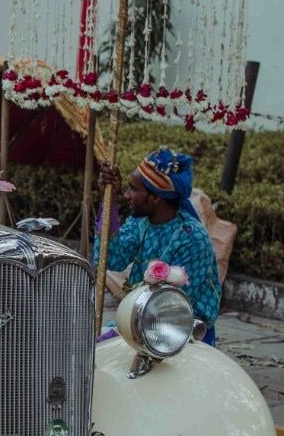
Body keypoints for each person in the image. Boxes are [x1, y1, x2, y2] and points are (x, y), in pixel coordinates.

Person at [95, 147, 222, 345]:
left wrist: (117, 336)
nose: (127, 194)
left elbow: (169, 309)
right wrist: (109, 199)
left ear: (155, 197)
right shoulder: (141, 222)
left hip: (180, 336)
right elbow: (111, 257)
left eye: (133, 189)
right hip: (139, 324)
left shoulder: (193, 239)